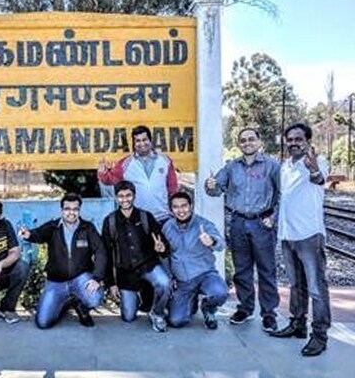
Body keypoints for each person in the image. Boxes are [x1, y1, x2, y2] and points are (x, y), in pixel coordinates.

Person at [204, 128, 280, 332]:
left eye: (251, 139)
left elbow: (284, 194)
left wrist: (274, 218)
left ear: (259, 141)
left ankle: (269, 314)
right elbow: (214, 190)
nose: (247, 143)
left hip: (262, 222)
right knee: (242, 270)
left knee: (266, 270)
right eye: (243, 140)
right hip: (238, 222)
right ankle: (245, 308)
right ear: (238, 144)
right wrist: (209, 184)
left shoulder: (272, 166)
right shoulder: (231, 167)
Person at [270, 123, 331, 357]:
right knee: (296, 285)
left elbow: (319, 179)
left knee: (316, 288)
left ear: (307, 141)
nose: (294, 143)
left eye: (298, 139)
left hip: (309, 235)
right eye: (290, 139)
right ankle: (297, 324)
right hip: (288, 234)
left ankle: (320, 335)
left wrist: (314, 169)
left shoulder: (317, 161)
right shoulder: (285, 166)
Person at [19, 193, 107, 329]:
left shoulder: (87, 228)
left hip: (80, 278)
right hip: (56, 282)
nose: (71, 212)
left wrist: (97, 277)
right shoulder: (53, 227)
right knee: (43, 322)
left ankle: (80, 305)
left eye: (75, 209)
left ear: (79, 210)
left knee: (94, 298)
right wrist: (28, 234)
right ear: (62, 210)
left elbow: (101, 251)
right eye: (67, 209)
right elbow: (38, 234)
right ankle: (66, 302)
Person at [102, 180, 171, 333]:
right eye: (121, 196)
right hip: (125, 272)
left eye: (128, 195)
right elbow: (106, 253)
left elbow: (162, 244)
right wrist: (111, 283)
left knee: (165, 283)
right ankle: (137, 297)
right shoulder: (110, 221)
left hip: (148, 266)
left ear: (134, 196)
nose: (125, 199)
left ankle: (157, 313)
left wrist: (162, 248)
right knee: (128, 317)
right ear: (116, 198)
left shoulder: (146, 217)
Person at [163, 192, 228, 330]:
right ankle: (191, 302)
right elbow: (166, 255)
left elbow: (221, 244)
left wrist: (211, 241)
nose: (181, 210)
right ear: (171, 210)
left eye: (184, 206)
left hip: (205, 274)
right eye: (176, 207)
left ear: (191, 206)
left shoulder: (203, 224)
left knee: (219, 292)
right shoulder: (167, 227)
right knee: (176, 321)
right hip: (183, 281)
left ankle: (208, 308)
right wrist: (170, 277)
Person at [98, 125, 179, 224]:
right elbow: (110, 179)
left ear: (150, 140)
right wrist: (102, 173)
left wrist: (175, 210)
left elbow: (173, 188)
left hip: (164, 217)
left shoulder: (165, 161)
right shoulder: (125, 164)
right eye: (138, 141)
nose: (142, 143)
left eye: (144, 140)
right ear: (134, 143)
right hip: (139, 219)